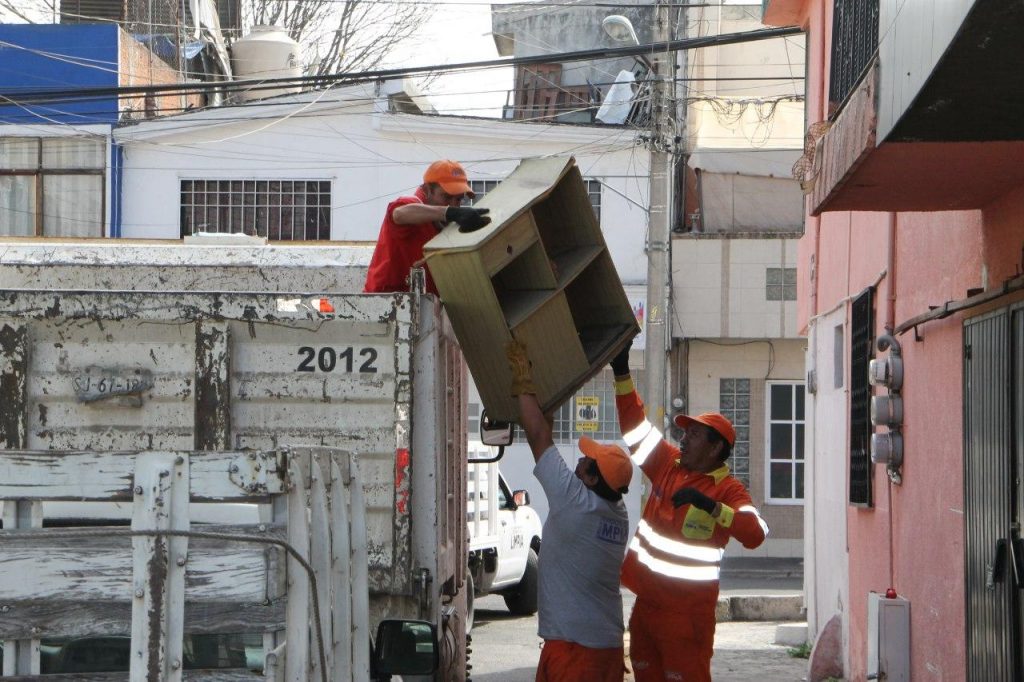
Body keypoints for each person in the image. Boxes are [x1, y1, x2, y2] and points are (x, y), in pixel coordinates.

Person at [608, 340, 769, 682]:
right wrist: (621, 373)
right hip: (647, 607)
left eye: (694, 435)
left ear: (715, 449)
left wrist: (712, 507)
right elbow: (635, 428)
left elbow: (756, 533)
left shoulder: (728, 490)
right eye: (684, 432)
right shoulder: (668, 462)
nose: (683, 438)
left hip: (687, 617)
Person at [506, 339, 632, 682]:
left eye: (585, 462)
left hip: (576, 652)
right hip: (604, 648)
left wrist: (523, 380)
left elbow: (537, 435)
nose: (578, 462)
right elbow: (542, 433)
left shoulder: (575, 501)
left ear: (591, 480)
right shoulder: (616, 513)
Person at [364, 159, 491, 295]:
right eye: (447, 197)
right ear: (427, 189)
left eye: (459, 199)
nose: (454, 205)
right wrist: (449, 213)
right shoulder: (410, 204)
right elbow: (399, 214)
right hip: (384, 304)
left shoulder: (442, 226)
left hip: (419, 307)